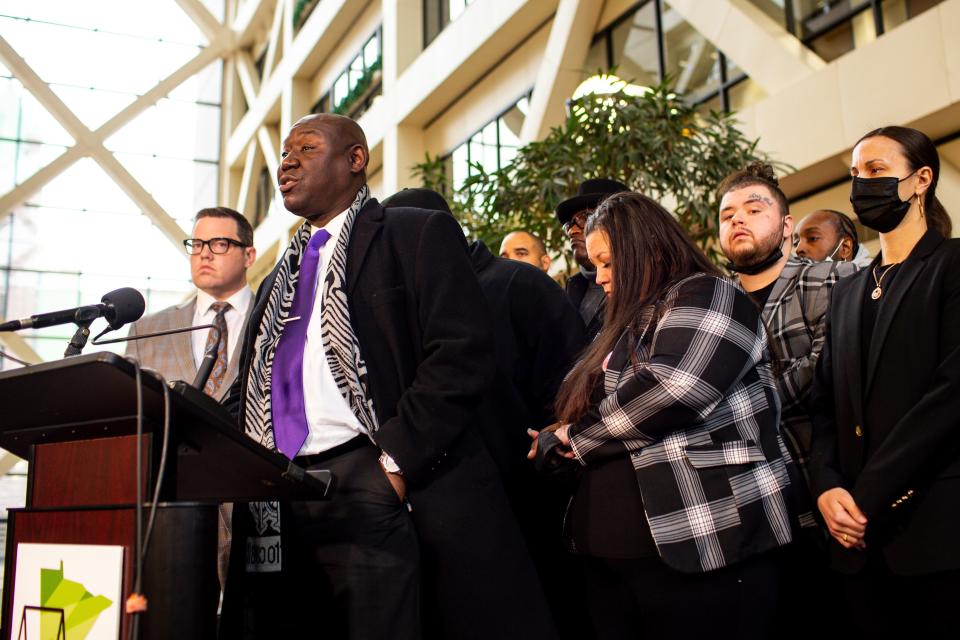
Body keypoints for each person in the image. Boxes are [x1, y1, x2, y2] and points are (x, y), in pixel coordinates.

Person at [221, 115, 556, 640]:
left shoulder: (413, 233)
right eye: (285, 152)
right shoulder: (275, 279)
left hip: (375, 474)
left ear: (356, 159)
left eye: (306, 148)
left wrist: (394, 464)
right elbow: (251, 387)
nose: (286, 161)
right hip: (281, 491)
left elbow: (461, 352)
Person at [531, 191, 795, 639]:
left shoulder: (708, 292)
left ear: (648, 249)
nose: (599, 278)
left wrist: (574, 438)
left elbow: (673, 389)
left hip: (704, 547)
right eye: (595, 265)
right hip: (621, 559)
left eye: (609, 263)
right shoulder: (634, 318)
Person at [384, 186, 588, 638]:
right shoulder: (406, 305)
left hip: (528, 498)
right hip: (441, 513)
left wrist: (547, 453)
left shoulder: (518, 283)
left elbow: (575, 382)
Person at [809, 125, 960, 635]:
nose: (861, 184)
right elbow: (825, 403)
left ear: (921, 179)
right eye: (855, 174)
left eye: (875, 171)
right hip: (854, 539)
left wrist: (865, 497)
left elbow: (949, 396)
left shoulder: (953, 265)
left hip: (936, 529)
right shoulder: (849, 290)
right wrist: (827, 486)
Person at [126, 205, 256, 590]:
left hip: (257, 511)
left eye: (219, 243)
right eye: (197, 243)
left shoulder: (277, 320)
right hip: (175, 516)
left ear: (249, 254)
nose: (204, 253)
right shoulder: (148, 329)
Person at [556, 179, 628, 341]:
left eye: (585, 218)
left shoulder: (649, 288)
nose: (572, 231)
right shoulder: (573, 286)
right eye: (569, 224)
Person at [794, 208, 872, 266]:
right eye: (796, 243)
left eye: (813, 238)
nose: (798, 249)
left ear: (845, 248)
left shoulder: (875, 283)